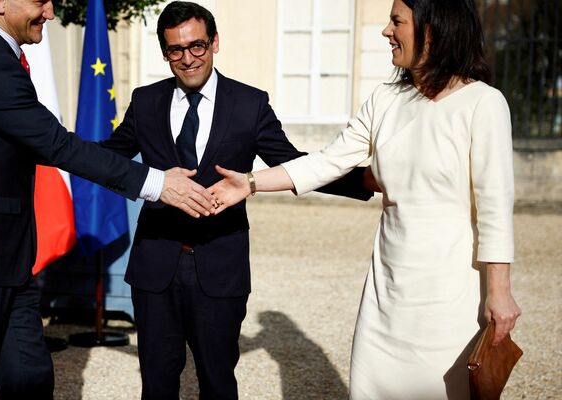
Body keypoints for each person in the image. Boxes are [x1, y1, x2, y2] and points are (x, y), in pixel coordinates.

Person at [0, 0, 218, 398]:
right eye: (40, 1)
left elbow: (36, 143)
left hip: (4, 255)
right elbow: (54, 145)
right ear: (0, 1)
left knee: (29, 378)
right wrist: (157, 183)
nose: (51, 13)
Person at [209, 0, 521, 398]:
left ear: (433, 28)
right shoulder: (385, 99)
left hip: (450, 297)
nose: (385, 31)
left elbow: (495, 207)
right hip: (385, 293)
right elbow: (327, 162)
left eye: (397, 21)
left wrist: (499, 292)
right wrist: (248, 183)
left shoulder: (484, 103)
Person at [100, 2, 373, 398]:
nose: (188, 58)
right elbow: (108, 159)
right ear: (164, 52)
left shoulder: (250, 103)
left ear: (214, 43)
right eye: (176, 49)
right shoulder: (145, 102)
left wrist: (364, 180)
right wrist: (49, 149)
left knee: (218, 382)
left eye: (197, 46)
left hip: (220, 266)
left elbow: (294, 163)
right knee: (157, 385)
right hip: (154, 266)